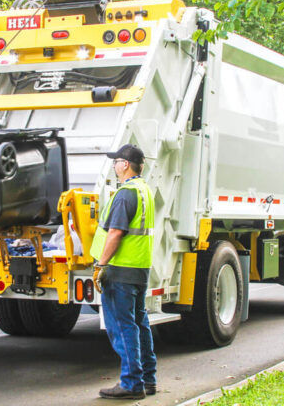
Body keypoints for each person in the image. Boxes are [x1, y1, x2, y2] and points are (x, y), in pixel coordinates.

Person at [89, 144, 157, 400]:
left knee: (122, 326)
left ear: (125, 164)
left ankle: (131, 384)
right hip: (139, 268)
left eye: (116, 161)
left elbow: (116, 233)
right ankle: (147, 379)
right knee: (140, 323)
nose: (114, 165)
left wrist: (101, 265)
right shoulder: (144, 191)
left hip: (120, 271)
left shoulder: (125, 193)